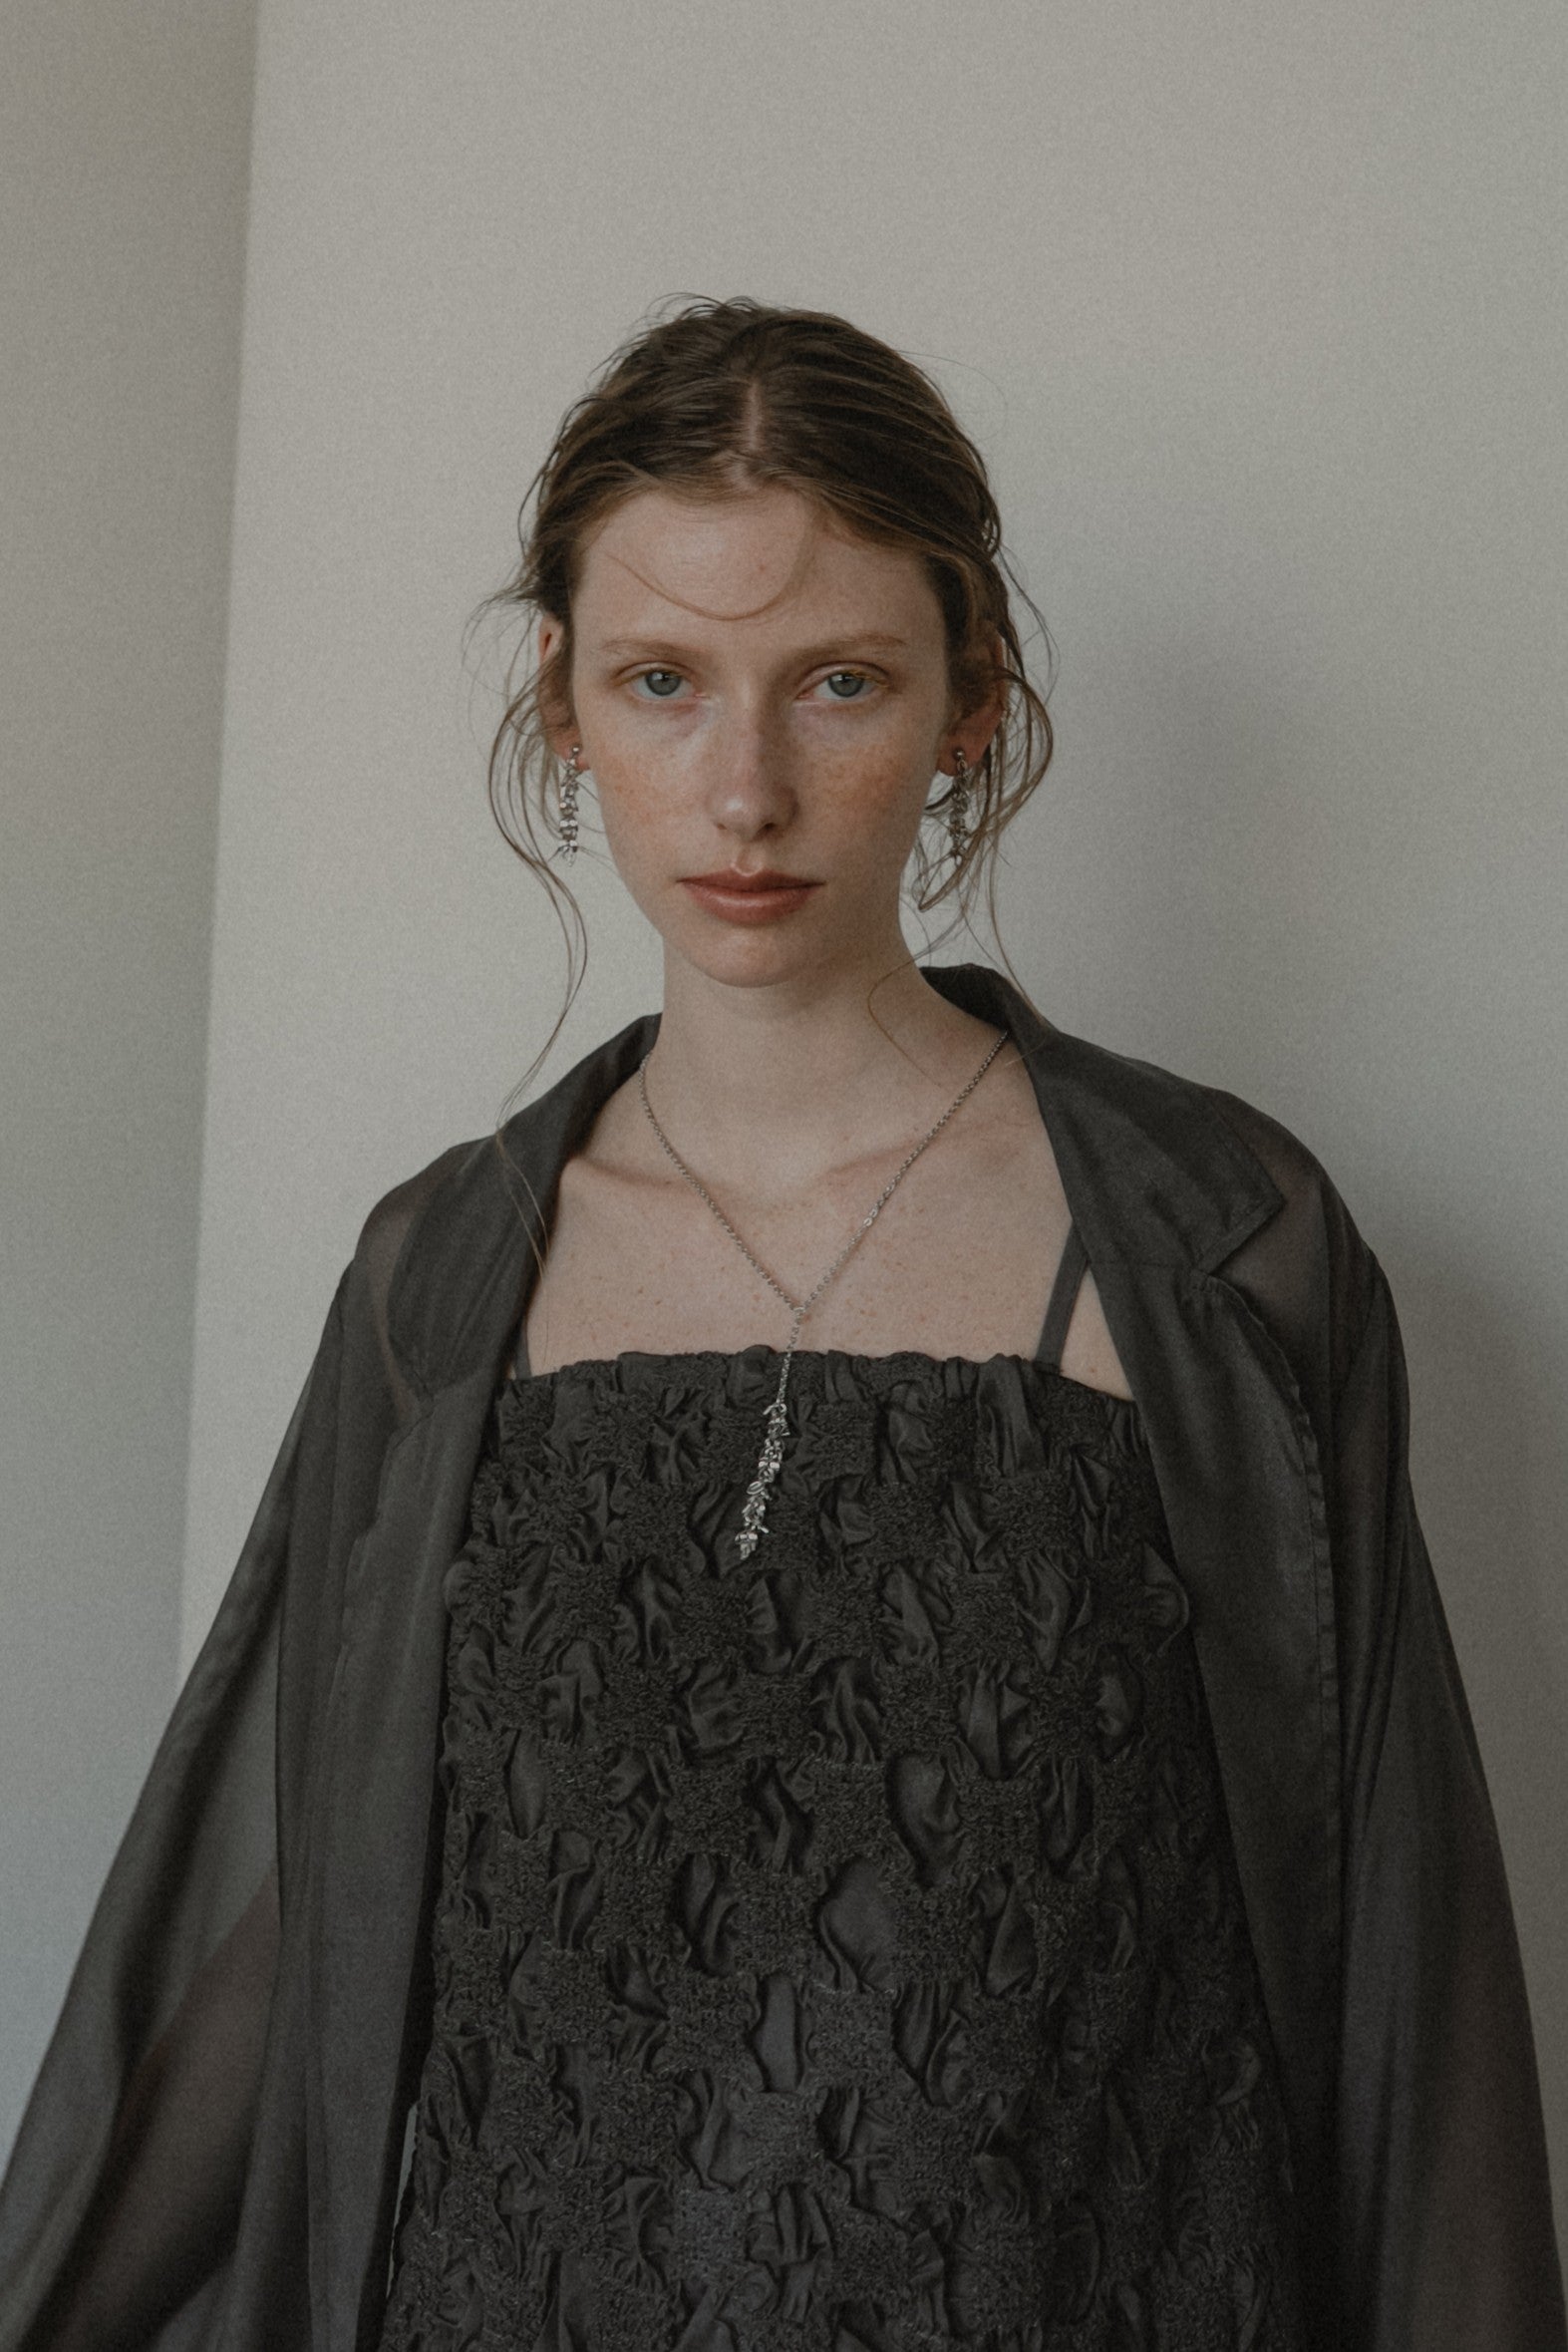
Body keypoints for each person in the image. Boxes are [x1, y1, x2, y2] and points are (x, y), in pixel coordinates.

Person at [0, 298, 1561, 2352]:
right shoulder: (435, 1279)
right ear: (562, 706)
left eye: (837, 682)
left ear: (969, 699)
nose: (743, 791)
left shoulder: (1220, 1245)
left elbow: (1407, 1984)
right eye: (661, 681)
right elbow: (287, 1930)